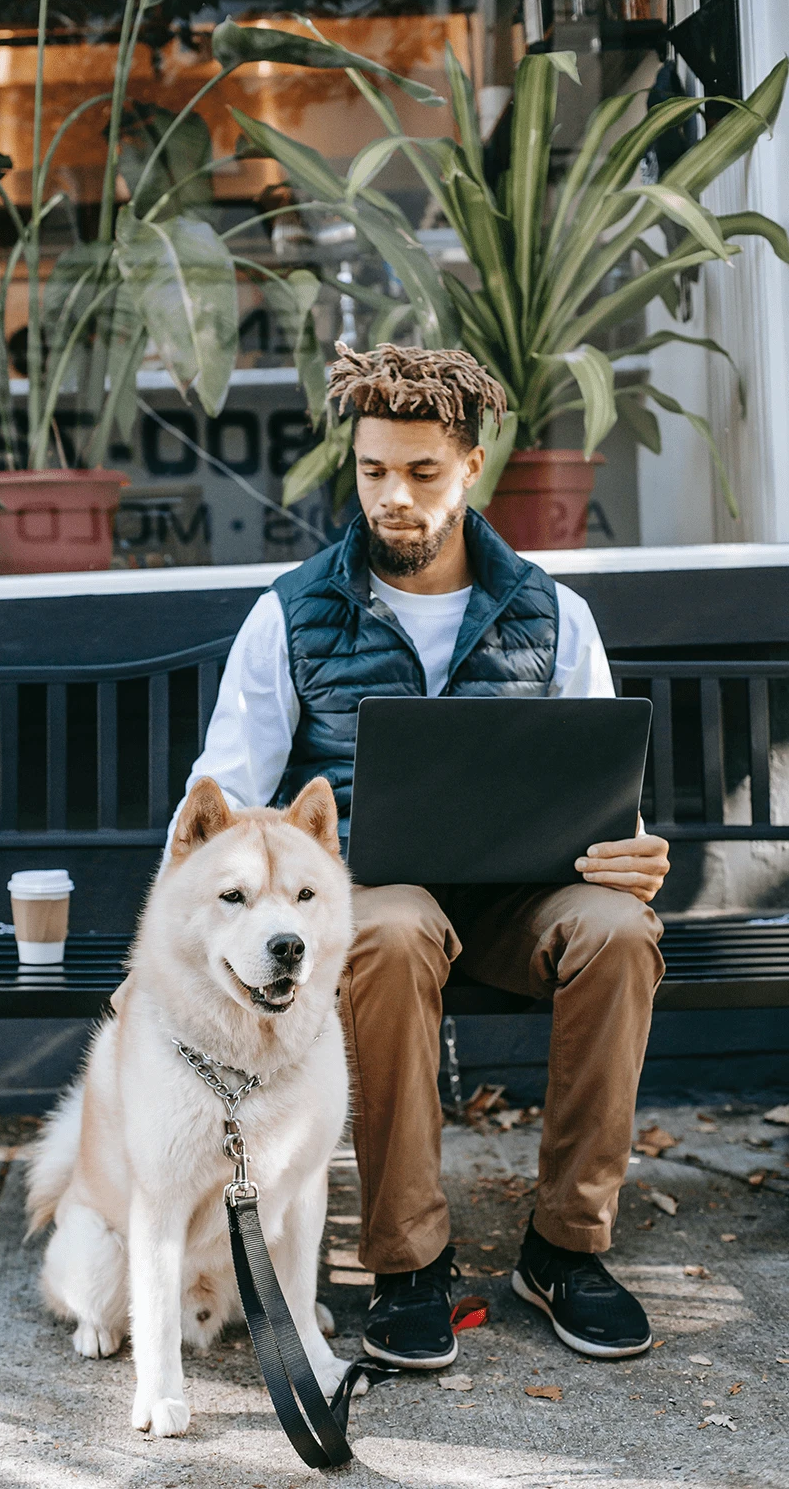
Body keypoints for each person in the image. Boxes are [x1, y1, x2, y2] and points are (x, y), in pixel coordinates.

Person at [167, 342, 670, 1367]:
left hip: (522, 899)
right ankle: (408, 1262)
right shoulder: (292, 614)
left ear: (472, 465)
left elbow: (605, 796)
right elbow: (217, 808)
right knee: (388, 928)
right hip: (374, 902)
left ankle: (566, 1251)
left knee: (620, 931)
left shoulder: (550, 613)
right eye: (372, 471)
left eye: (422, 472)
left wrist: (630, 856)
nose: (392, 496)